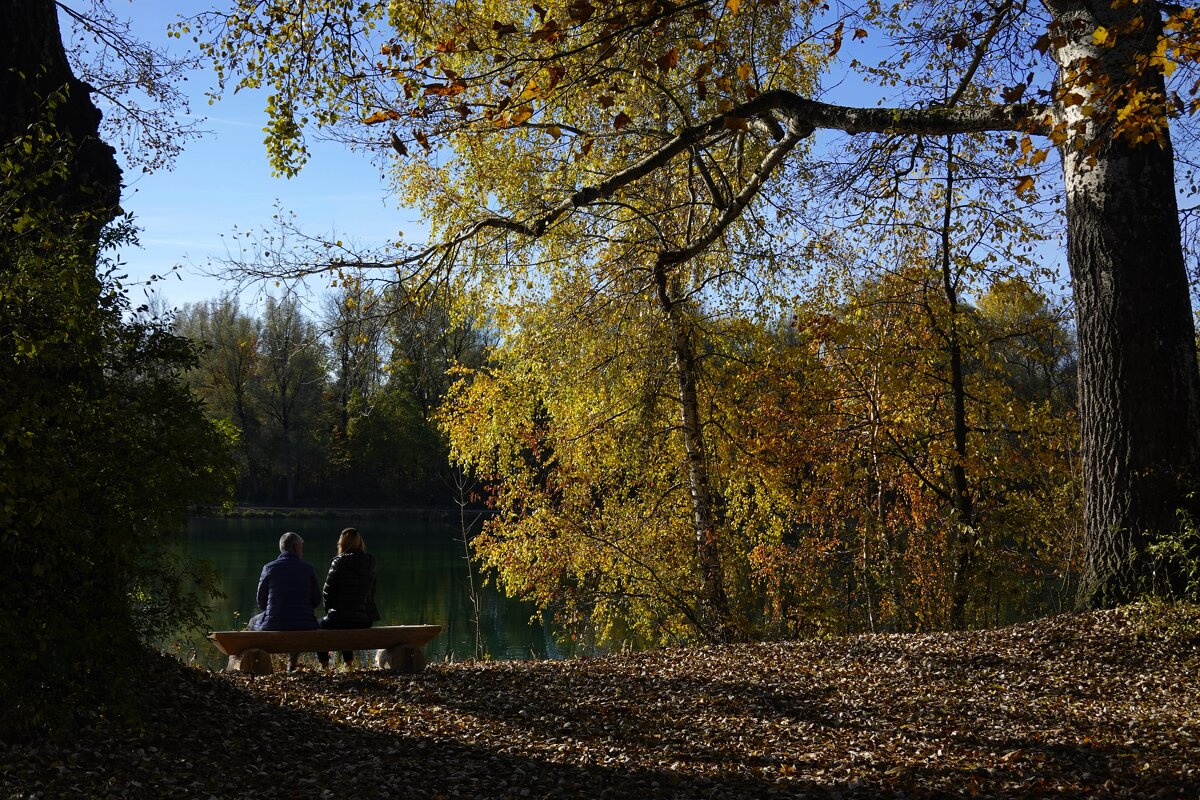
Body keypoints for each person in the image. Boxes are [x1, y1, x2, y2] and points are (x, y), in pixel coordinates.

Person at [248, 531, 320, 672]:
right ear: (295, 548)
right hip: (305, 625)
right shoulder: (308, 569)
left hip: (273, 623)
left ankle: (261, 665)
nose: (302, 552)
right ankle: (291, 665)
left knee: (252, 622)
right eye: (301, 548)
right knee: (296, 621)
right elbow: (316, 601)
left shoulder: (268, 568)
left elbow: (261, 602)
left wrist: (274, 610)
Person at [317, 527, 380, 669]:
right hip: (365, 620)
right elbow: (372, 592)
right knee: (347, 617)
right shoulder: (370, 563)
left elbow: (327, 592)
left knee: (318, 627)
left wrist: (330, 612)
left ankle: (325, 666)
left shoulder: (339, 562)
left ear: (342, 544)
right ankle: (348, 664)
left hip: (340, 618)